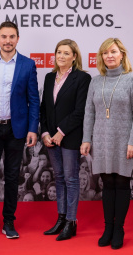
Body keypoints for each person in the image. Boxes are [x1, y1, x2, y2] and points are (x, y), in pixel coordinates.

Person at [0, 21, 40, 240]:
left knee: (13, 177)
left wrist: (33, 128)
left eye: (12, 37)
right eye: (4, 36)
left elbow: (34, 99)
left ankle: (9, 222)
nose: (7, 41)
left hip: (16, 128)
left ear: (18, 39)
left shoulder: (28, 64)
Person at [81, 38, 133, 249]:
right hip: (101, 141)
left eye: (113, 51)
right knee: (107, 183)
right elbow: (89, 112)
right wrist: (87, 139)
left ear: (122, 55)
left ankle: (119, 229)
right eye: (105, 53)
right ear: (101, 57)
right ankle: (108, 228)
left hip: (125, 142)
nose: (109, 55)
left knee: (121, 183)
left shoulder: (132, 80)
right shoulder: (96, 82)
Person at [40, 39, 91, 241]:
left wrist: (61, 131)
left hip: (69, 137)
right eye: (58, 52)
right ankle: (61, 219)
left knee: (71, 179)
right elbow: (44, 108)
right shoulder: (49, 77)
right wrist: (45, 133)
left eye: (66, 53)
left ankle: (71, 221)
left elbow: (80, 111)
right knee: (59, 178)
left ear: (74, 57)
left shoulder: (82, 78)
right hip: (51, 138)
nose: (61, 56)